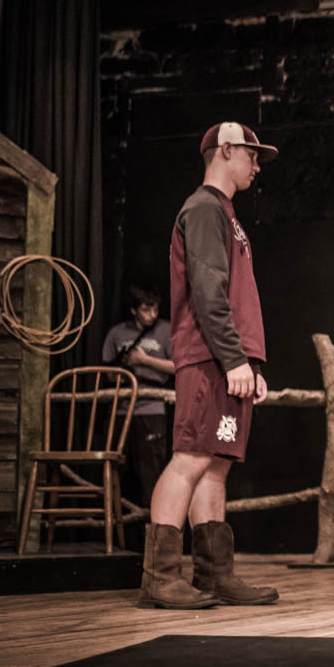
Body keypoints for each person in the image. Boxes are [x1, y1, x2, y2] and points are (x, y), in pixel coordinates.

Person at [139, 122, 280, 610]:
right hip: (209, 358)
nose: (257, 165)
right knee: (190, 458)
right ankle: (160, 576)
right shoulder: (203, 208)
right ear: (225, 150)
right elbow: (207, 291)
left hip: (229, 358)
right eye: (251, 155)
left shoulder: (226, 213)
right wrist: (234, 358)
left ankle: (215, 574)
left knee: (216, 465)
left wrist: (250, 363)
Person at [101, 285, 174, 516]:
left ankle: (155, 529)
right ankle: (113, 527)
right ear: (133, 310)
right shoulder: (117, 333)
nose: (152, 314)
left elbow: (179, 366)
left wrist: (144, 360)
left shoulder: (166, 330)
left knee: (151, 473)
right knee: (115, 473)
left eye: (155, 309)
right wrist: (119, 372)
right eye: (146, 309)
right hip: (121, 409)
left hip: (152, 408)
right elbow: (107, 370)